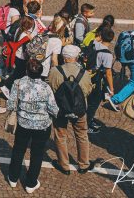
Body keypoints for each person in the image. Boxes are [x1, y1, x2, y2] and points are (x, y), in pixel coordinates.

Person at [6, 58, 59, 194]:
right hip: (42, 126)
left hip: (23, 123)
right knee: (37, 154)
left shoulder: (18, 83)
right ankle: (31, 183)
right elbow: (53, 108)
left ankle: (13, 177)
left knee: (18, 150)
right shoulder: (46, 87)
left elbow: (11, 104)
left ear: (26, 71)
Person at [48, 44, 93, 175]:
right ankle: (84, 164)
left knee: (60, 135)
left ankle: (64, 164)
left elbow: (50, 87)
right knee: (82, 135)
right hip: (79, 110)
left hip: (60, 109)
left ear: (64, 57)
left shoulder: (55, 71)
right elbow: (88, 90)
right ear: (76, 57)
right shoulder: (84, 73)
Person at [85, 26, 115, 134]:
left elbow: (95, 39)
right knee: (94, 102)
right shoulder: (107, 54)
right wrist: (111, 88)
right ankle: (86, 124)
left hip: (87, 74)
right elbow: (108, 73)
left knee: (88, 99)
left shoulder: (94, 43)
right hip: (96, 79)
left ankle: (88, 119)